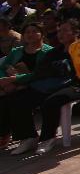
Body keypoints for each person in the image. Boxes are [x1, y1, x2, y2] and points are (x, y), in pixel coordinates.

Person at [0, 23, 54, 153]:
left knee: (16, 100)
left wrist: (16, 79)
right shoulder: (16, 51)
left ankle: (29, 137)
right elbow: (2, 67)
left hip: (38, 86)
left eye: (34, 31)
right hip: (15, 85)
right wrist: (5, 80)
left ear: (42, 34)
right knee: (3, 99)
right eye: (27, 32)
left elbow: (40, 74)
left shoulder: (48, 52)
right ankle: (6, 135)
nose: (30, 35)